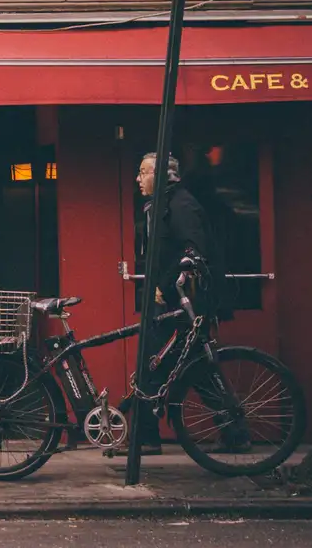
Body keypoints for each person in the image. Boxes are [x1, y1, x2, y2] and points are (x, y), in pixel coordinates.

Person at [131, 151, 248, 456]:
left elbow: (193, 250)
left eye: (144, 172)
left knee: (154, 363)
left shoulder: (180, 205)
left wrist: (165, 284)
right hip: (172, 300)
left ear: (161, 176)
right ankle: (233, 431)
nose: (138, 178)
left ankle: (147, 438)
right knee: (191, 366)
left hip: (181, 302)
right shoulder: (164, 205)